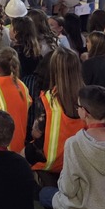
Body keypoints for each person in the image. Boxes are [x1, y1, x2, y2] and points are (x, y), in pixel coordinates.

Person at [28, 48, 83, 178]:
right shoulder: (88, 97)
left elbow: (36, 133)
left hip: (48, 164)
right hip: (77, 162)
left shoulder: (47, 99)